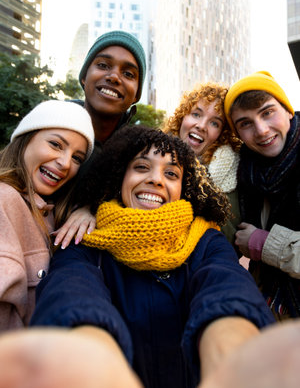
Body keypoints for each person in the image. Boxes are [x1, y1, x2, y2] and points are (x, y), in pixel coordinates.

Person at [30, 125, 274, 388]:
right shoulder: (84, 240)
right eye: (142, 167)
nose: (156, 179)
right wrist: (90, 353)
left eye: (171, 173)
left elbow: (227, 282)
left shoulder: (206, 241)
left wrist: (231, 342)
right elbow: (70, 290)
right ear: (119, 176)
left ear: (184, 187)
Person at [0, 100, 94, 331]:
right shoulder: (5, 200)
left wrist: (88, 211)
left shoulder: (51, 213)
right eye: (55, 144)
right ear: (25, 139)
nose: (65, 163)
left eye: (76, 158)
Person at [53, 29, 147, 248]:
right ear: (84, 76)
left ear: (136, 95)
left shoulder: (139, 151)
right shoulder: (49, 127)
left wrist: (94, 210)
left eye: (129, 74)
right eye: (103, 65)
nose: (114, 77)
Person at [224, 70, 300, 319]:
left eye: (268, 112)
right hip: (271, 310)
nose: (261, 130)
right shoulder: (247, 173)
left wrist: (265, 243)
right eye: (245, 123)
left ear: (288, 110)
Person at [163, 82, 241, 245]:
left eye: (215, 123)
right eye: (196, 114)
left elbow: (228, 240)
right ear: (182, 116)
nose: (201, 126)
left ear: (222, 134)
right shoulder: (152, 151)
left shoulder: (227, 176)